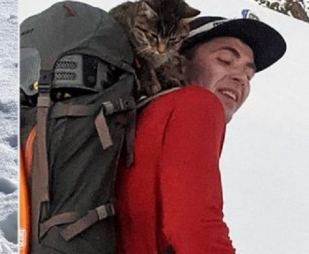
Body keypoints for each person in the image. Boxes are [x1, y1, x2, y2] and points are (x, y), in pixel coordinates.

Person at [114, 15, 287, 253]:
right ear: (180, 63)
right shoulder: (196, 104)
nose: (240, 79)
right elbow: (195, 228)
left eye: (249, 75)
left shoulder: (142, 115)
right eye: (225, 60)